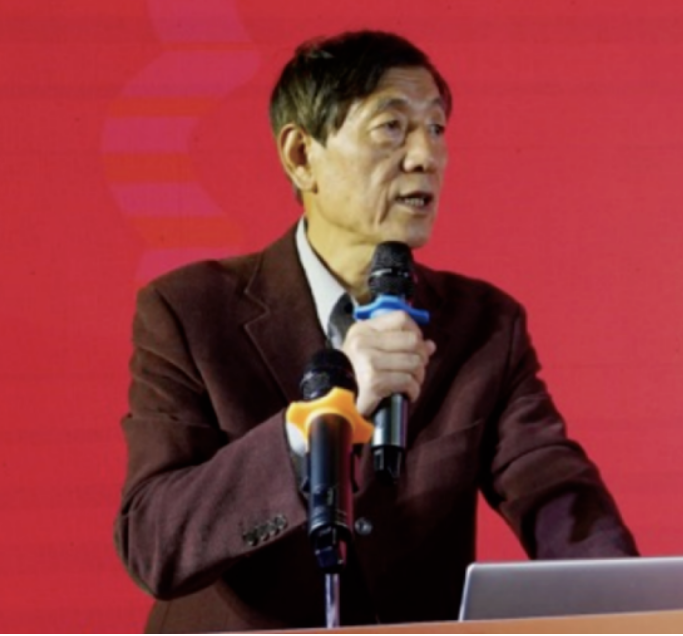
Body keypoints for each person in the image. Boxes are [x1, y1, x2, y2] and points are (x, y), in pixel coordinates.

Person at [113, 30, 637, 632]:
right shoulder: (188, 311)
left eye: (435, 128)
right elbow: (153, 542)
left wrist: (633, 606)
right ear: (301, 155)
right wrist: (315, 422)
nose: (425, 157)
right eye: (392, 127)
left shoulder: (484, 324)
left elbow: (555, 494)